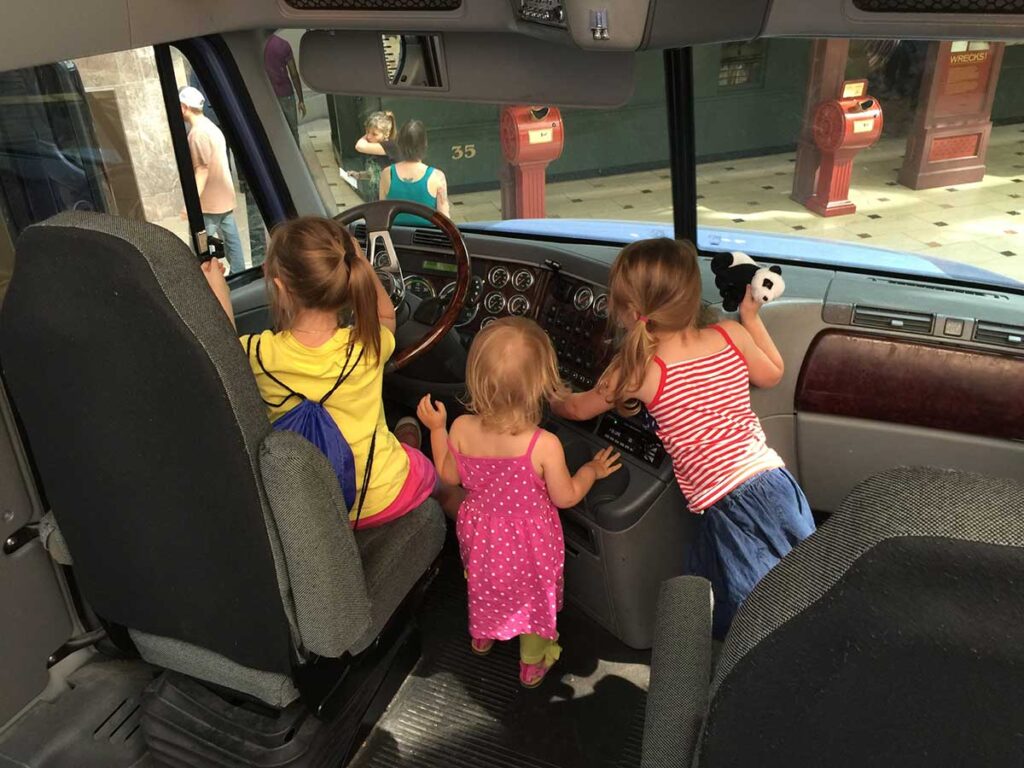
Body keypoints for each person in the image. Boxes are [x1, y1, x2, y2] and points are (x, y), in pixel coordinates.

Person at [550, 238, 816, 639]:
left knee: (759, 614)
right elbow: (773, 374)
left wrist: (550, 395)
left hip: (732, 505)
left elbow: (578, 409)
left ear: (632, 313)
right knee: (802, 583)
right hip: (774, 483)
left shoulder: (637, 368)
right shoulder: (730, 335)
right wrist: (751, 317)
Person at [417, 318, 621, 687]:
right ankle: (531, 662)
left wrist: (435, 429)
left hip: (480, 534)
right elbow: (566, 496)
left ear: (477, 378)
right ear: (542, 386)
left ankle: (484, 634)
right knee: (531, 598)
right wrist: (591, 469)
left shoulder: (461, 428)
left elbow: (447, 477)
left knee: (484, 582)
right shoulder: (543, 445)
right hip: (529, 543)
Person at [200, 216, 437, 529]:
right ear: (347, 277)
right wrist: (362, 259)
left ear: (279, 285)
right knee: (427, 470)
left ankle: (403, 443)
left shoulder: (258, 354)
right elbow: (386, 315)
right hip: (382, 494)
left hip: (314, 506)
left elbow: (222, 347)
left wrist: (220, 292)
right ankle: (408, 450)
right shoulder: (367, 346)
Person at [179, 86, 245, 275]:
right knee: (234, 249)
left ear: (184, 107)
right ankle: (239, 281)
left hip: (207, 206)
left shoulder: (196, 134)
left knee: (200, 255)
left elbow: (202, 170)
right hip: (224, 200)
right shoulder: (211, 127)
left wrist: (189, 205)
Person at [379, 120, 450, 227]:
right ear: (424, 144)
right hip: (426, 239)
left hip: (395, 239)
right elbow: (445, 219)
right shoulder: (437, 176)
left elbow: (382, 213)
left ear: (399, 144)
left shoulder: (387, 173)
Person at [264, 32, 306, 144]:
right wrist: (301, 99)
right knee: (292, 130)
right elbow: (294, 74)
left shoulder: (257, 46)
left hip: (266, 95)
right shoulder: (283, 44)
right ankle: (295, 156)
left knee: (273, 132)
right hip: (285, 94)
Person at [346, 111, 399, 201]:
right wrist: (359, 175)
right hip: (377, 196)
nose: (369, 137)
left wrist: (367, 134)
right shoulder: (375, 146)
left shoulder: (389, 146)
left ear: (386, 134)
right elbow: (377, 172)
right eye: (367, 132)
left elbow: (359, 146)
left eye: (374, 134)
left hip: (391, 197)